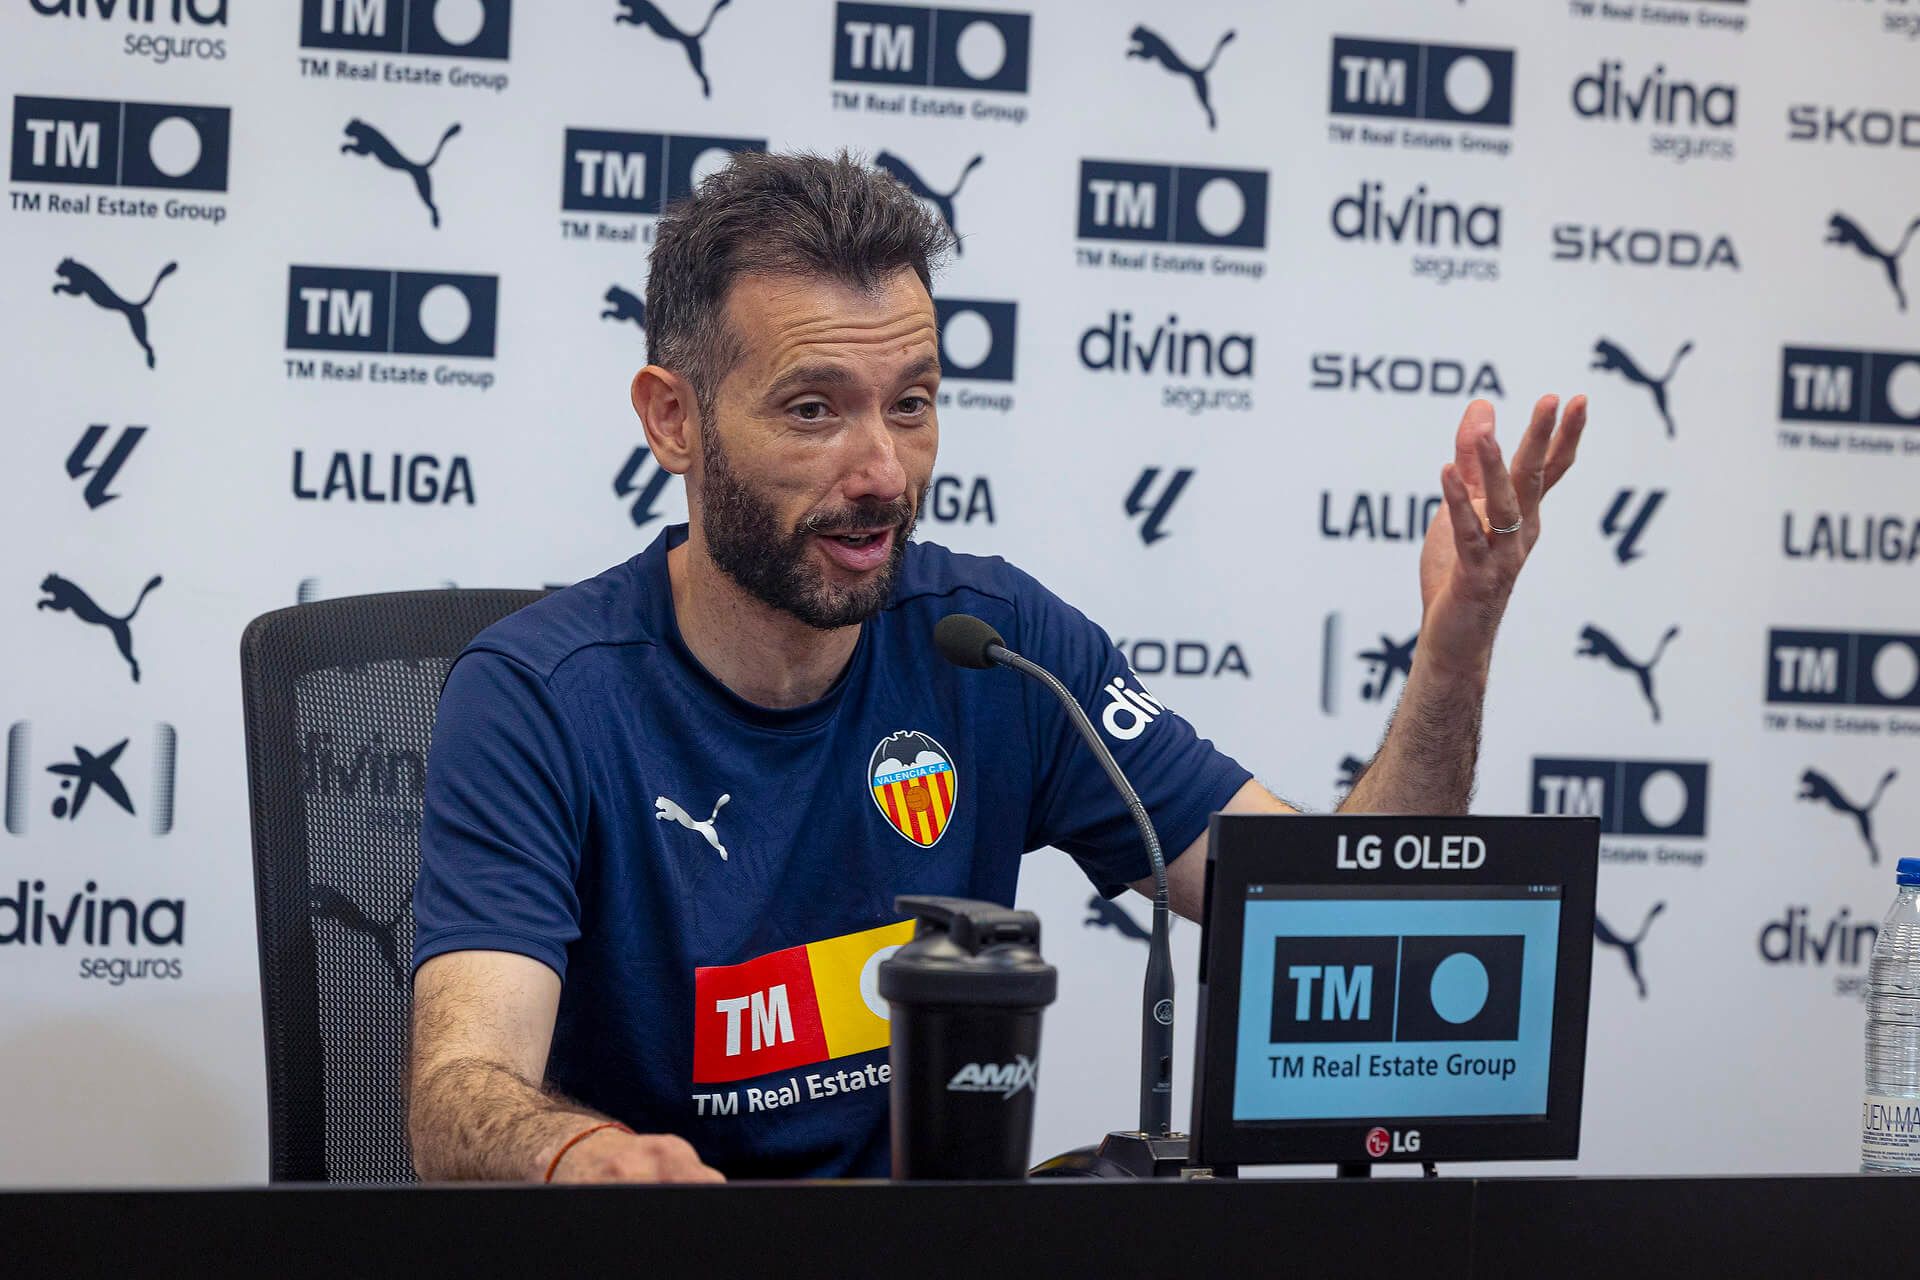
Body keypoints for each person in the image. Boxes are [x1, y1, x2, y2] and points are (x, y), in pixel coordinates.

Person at [406, 151, 1587, 1184]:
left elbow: (1344, 926)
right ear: (673, 419)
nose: (883, 470)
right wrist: (573, 1153)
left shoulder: (999, 648)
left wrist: (1458, 642)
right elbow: (460, 1087)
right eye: (814, 408)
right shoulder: (539, 699)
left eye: (912, 404)